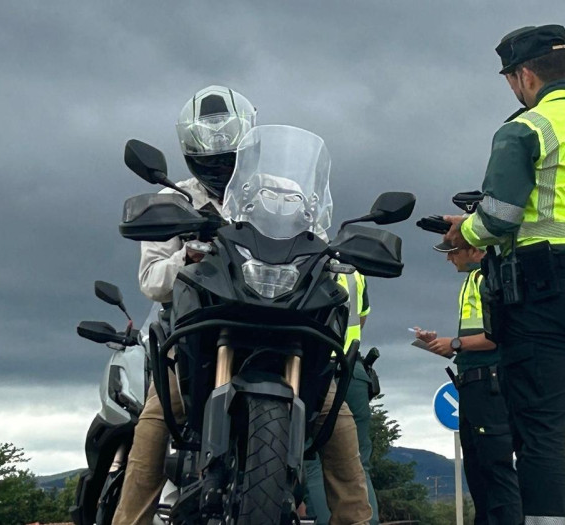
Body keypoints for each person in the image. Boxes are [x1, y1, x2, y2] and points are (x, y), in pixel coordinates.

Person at [114, 85, 371, 524]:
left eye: (228, 158)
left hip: (281, 323)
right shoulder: (174, 200)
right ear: (189, 155)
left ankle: (357, 521)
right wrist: (185, 256)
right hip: (202, 330)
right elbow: (152, 282)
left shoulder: (286, 192)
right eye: (207, 161)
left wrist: (334, 262)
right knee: (159, 413)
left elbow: (317, 244)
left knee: (333, 411)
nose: (218, 168)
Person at [442, 24, 565, 522]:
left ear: (525, 75)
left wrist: (464, 231)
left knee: (543, 431)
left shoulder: (524, 128)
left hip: (544, 296)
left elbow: (499, 217)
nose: (513, 87)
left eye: (511, 77)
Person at [412, 237, 521, 524]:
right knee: (480, 476)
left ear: (474, 249)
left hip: (491, 387)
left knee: (497, 476)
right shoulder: (472, 281)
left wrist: (456, 343)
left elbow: (500, 336)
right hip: (473, 386)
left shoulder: (490, 278)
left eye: (453, 252)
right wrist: (440, 344)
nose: (449, 259)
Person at [302, 270, 381, 525]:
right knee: (354, 464)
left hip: (316, 371)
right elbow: (362, 317)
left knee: (313, 461)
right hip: (353, 372)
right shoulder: (354, 272)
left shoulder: (302, 261)